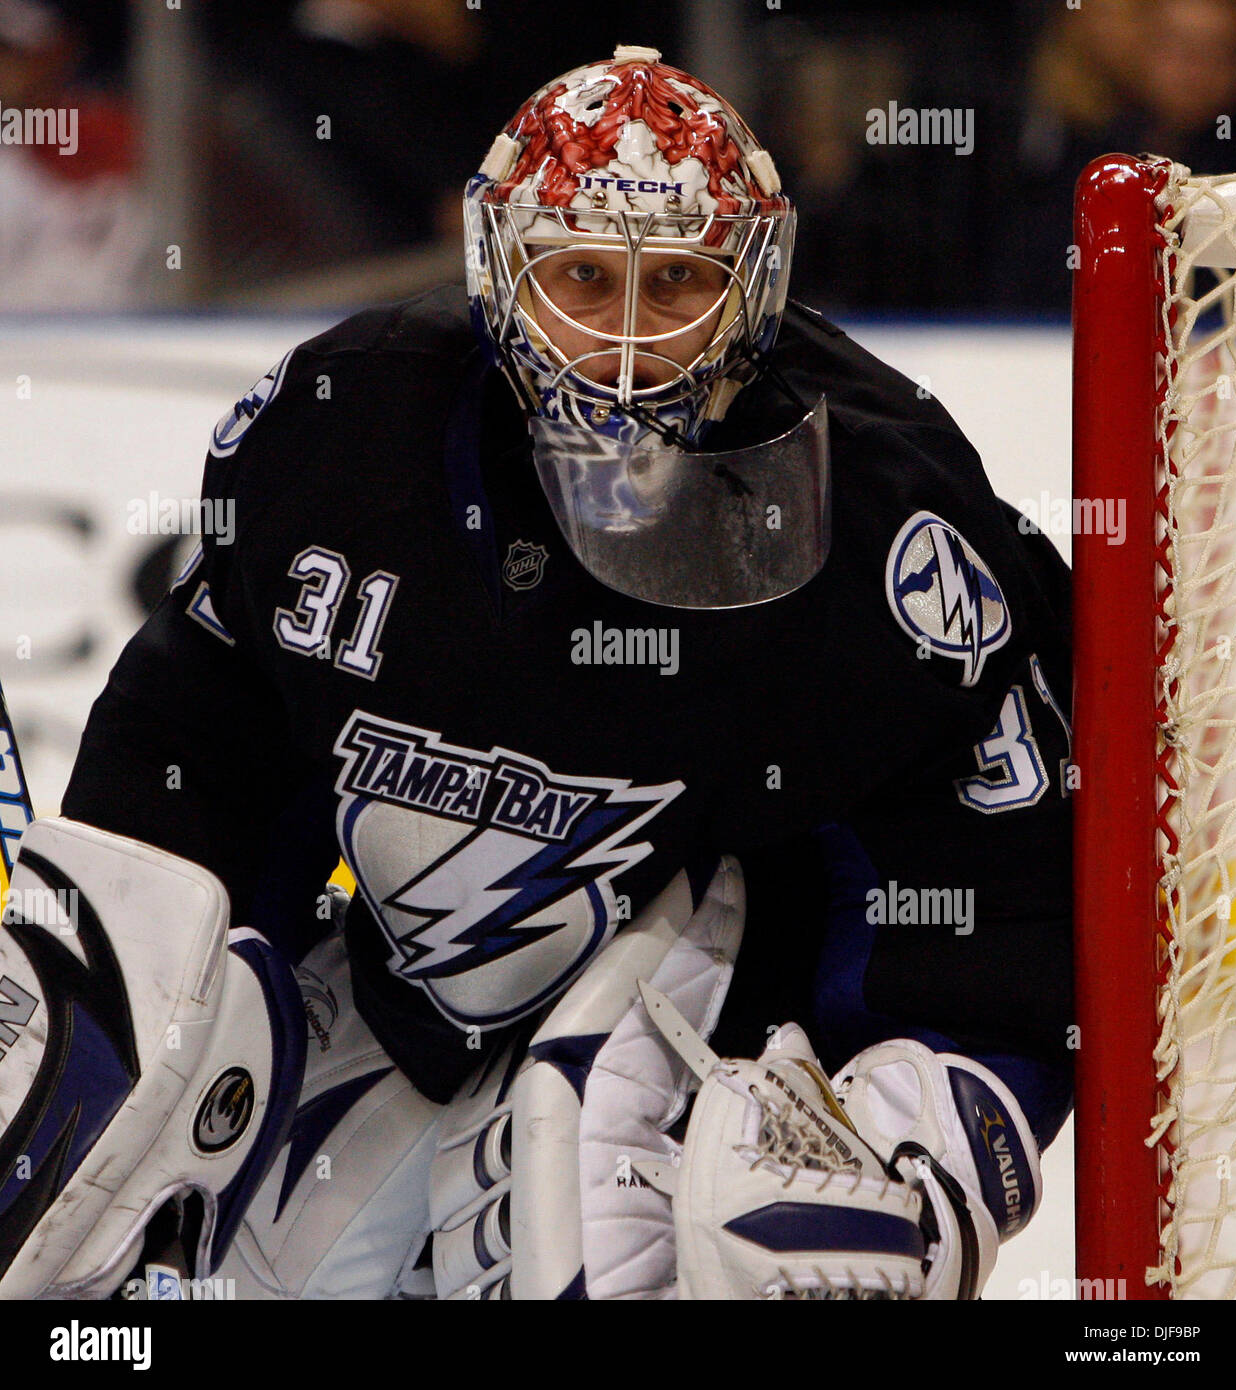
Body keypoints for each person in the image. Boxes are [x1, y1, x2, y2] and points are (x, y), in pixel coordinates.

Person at [0, 46, 1071, 1301]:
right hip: (389, 1011)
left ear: (756, 288)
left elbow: (998, 896)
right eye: (579, 279)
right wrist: (113, 1024)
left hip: (705, 1053)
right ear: (499, 271)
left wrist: (918, 1141)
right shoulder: (345, 432)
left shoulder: (886, 520)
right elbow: (203, 753)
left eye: (674, 282)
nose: (622, 352)